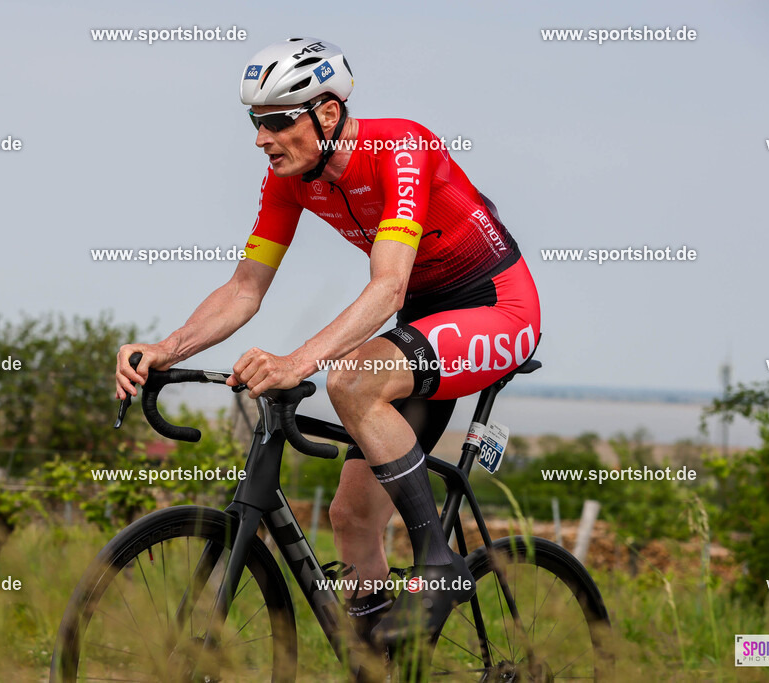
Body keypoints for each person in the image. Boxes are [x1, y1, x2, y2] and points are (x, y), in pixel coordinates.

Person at [114, 37, 541, 648]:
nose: (261, 139)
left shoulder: (401, 147)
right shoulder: (289, 182)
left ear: (329, 113)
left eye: (277, 122)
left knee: (350, 378)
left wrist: (295, 361)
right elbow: (243, 289)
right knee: (351, 515)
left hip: (496, 306)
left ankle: (437, 565)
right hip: (426, 321)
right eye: (255, 123)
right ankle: (380, 657)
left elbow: (388, 287)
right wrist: (165, 348)